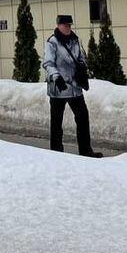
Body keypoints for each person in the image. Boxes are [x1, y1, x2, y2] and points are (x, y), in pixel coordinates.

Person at [43, 14, 102, 157]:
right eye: (65, 25)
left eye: (69, 25)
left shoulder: (75, 40)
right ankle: (56, 152)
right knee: (57, 121)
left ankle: (86, 150)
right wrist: (56, 76)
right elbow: (48, 63)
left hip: (75, 87)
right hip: (59, 88)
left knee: (83, 117)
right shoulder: (52, 42)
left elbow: (82, 57)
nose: (68, 28)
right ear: (58, 26)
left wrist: (82, 66)